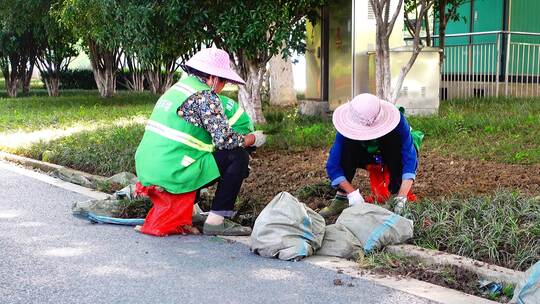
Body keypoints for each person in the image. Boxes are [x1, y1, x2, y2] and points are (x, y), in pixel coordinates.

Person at [135, 47, 266, 236]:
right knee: (237, 157)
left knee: (206, 156)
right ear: (212, 78)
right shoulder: (205, 96)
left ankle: (186, 214)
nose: (222, 87)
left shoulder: (177, 89)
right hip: (171, 172)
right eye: (223, 81)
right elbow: (224, 140)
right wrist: (252, 139)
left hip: (147, 168)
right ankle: (216, 221)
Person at [320, 93, 419, 218]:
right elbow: (333, 165)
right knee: (347, 149)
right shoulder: (347, 130)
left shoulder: (398, 122)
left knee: (396, 144)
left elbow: (410, 159)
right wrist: (351, 193)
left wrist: (402, 196)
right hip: (366, 153)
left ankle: (395, 195)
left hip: (388, 151)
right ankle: (342, 198)